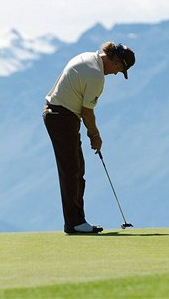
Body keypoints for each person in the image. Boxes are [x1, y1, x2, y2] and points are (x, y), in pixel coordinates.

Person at [43, 42, 135, 234]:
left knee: (76, 169)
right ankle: (74, 223)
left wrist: (91, 133)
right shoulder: (96, 76)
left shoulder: (87, 56)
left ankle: (76, 221)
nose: (117, 73)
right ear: (116, 62)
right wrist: (95, 135)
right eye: (120, 69)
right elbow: (87, 113)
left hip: (58, 114)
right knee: (72, 171)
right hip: (63, 117)